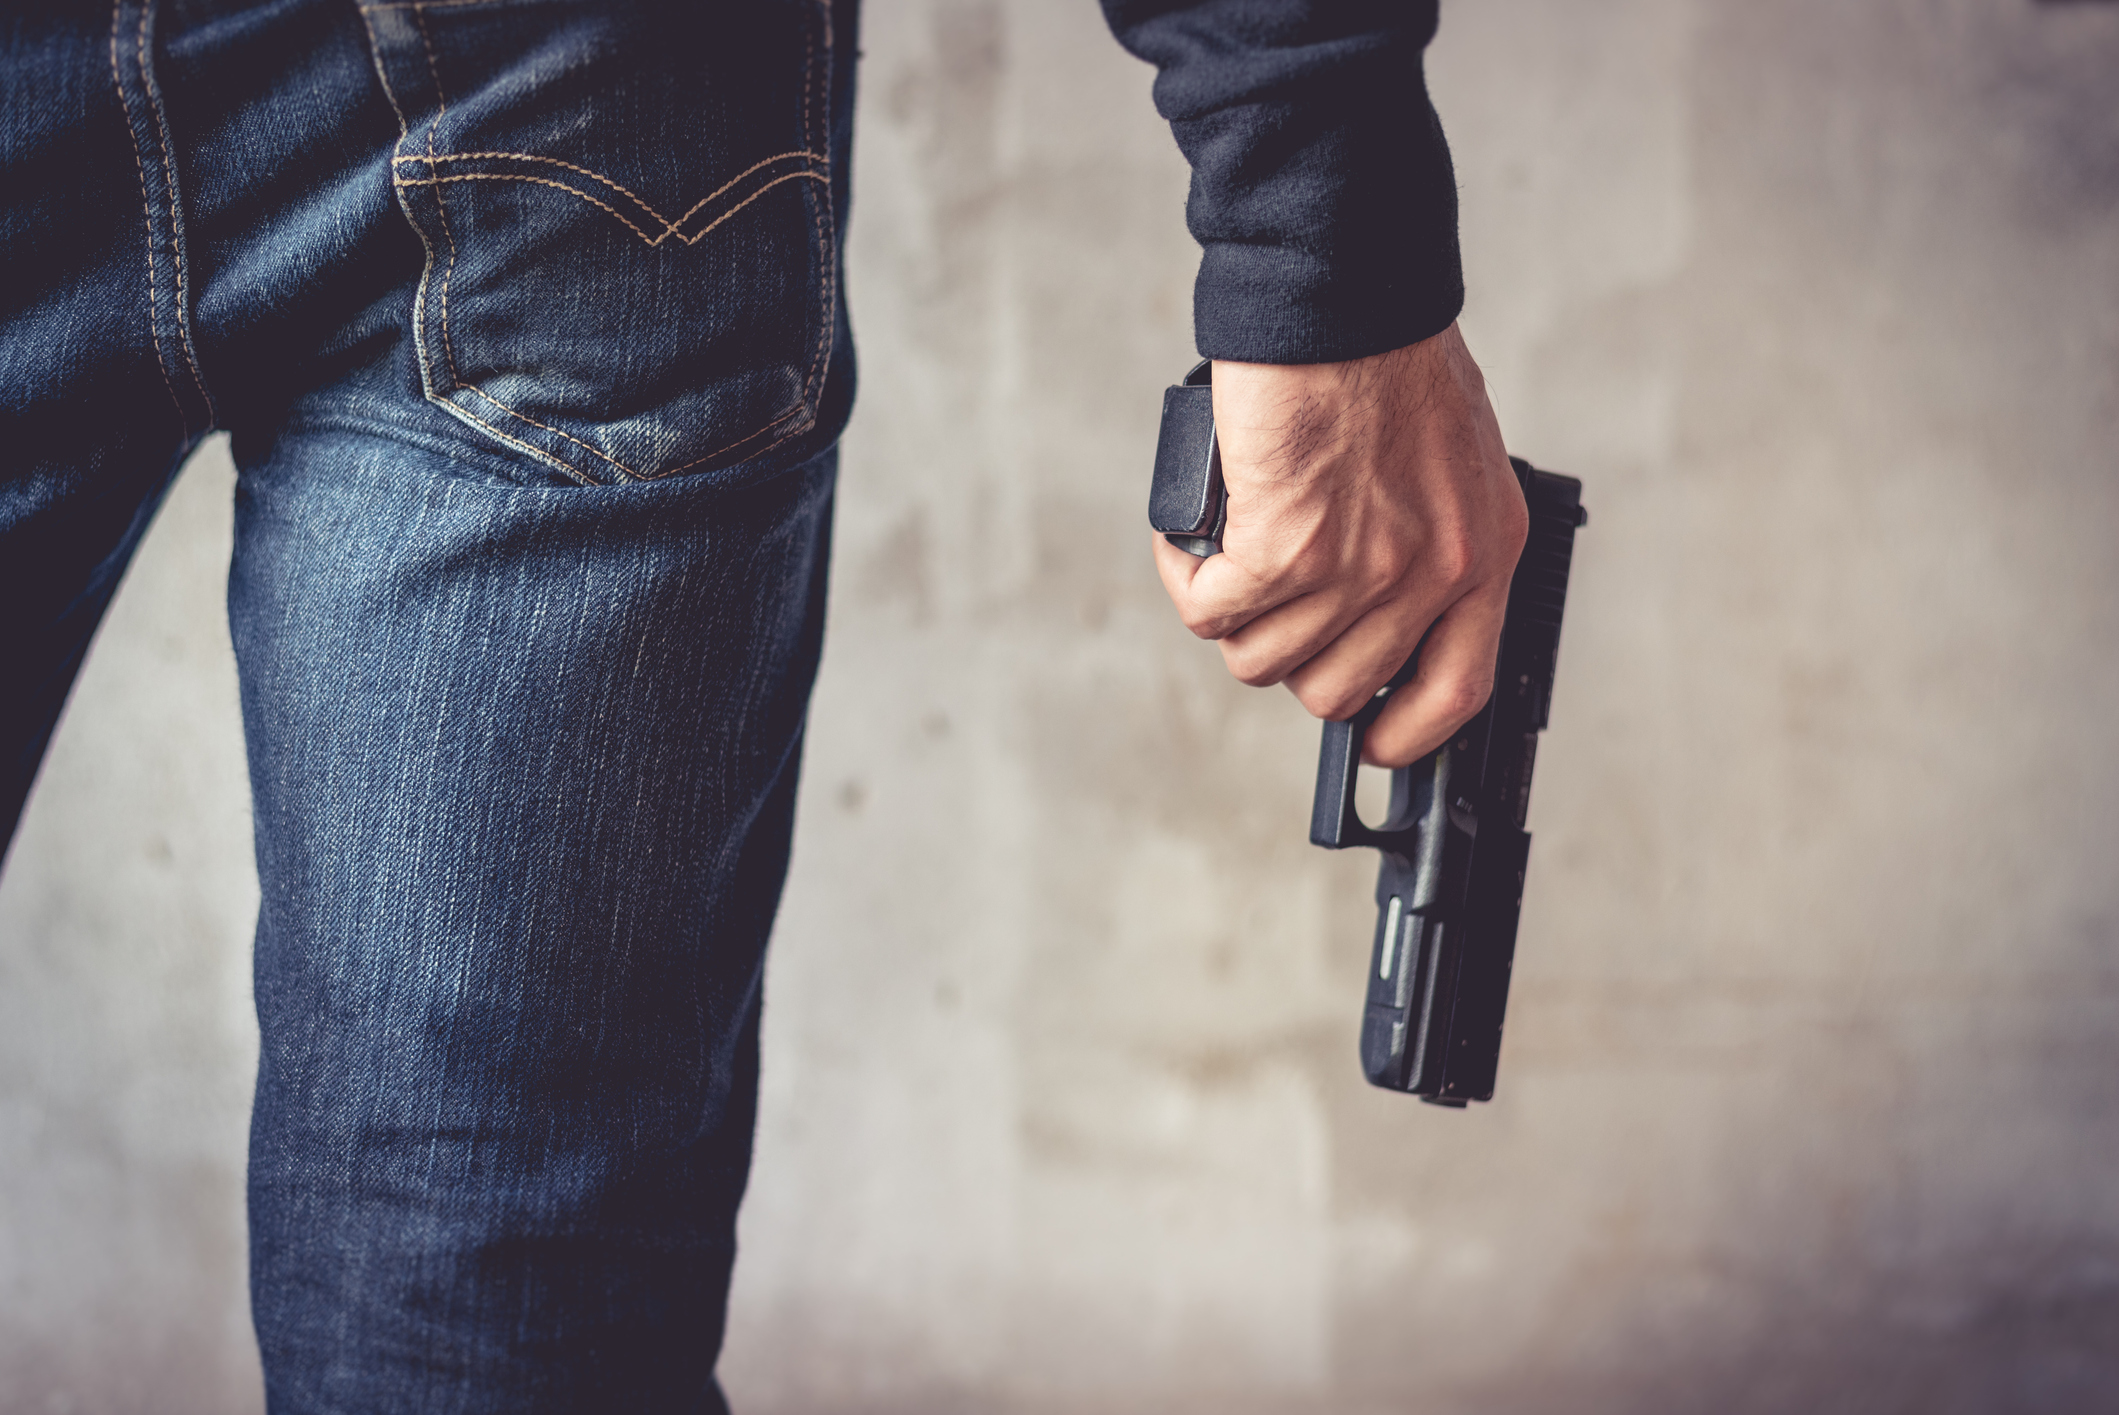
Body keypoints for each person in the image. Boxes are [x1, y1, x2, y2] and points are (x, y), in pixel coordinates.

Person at [0, 0, 1523, 1408]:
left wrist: (1323, 213)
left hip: (576, 94)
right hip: (582, 98)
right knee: (492, 1303)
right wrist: (1322, 202)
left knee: (498, 1316)